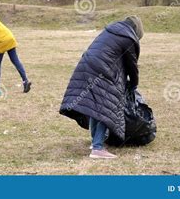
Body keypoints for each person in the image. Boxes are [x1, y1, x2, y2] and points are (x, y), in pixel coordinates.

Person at [59, 16, 144, 159]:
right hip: (101, 70)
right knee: (107, 107)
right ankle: (97, 148)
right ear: (136, 31)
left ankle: (95, 142)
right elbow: (132, 66)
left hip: (87, 64)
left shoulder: (111, 31)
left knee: (96, 105)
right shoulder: (128, 38)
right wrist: (134, 85)